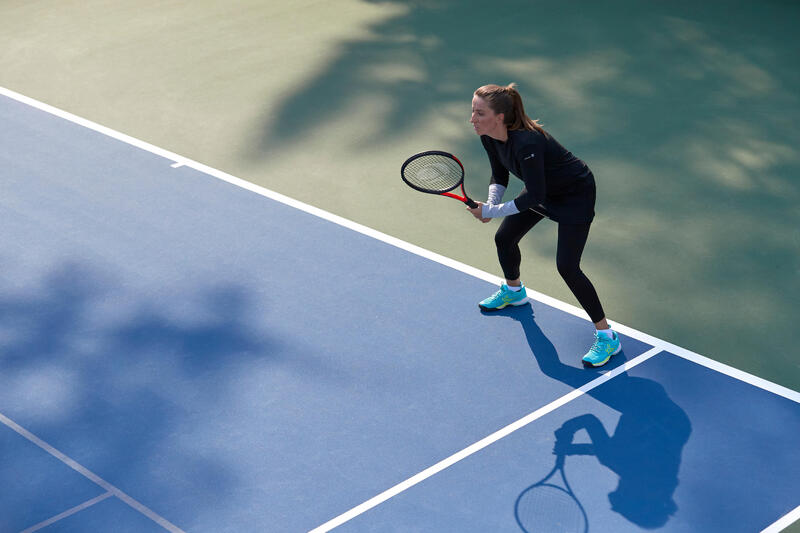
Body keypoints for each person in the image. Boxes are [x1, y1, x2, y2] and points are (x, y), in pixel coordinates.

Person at [467, 83, 620, 367]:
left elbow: (534, 195)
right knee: (505, 238)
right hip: (544, 190)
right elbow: (499, 174)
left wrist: (493, 210)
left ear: (499, 117)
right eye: (473, 111)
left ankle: (607, 335)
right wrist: (491, 203)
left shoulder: (527, 143)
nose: (472, 119)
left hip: (574, 194)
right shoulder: (488, 135)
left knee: (567, 267)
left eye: (479, 113)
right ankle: (514, 292)